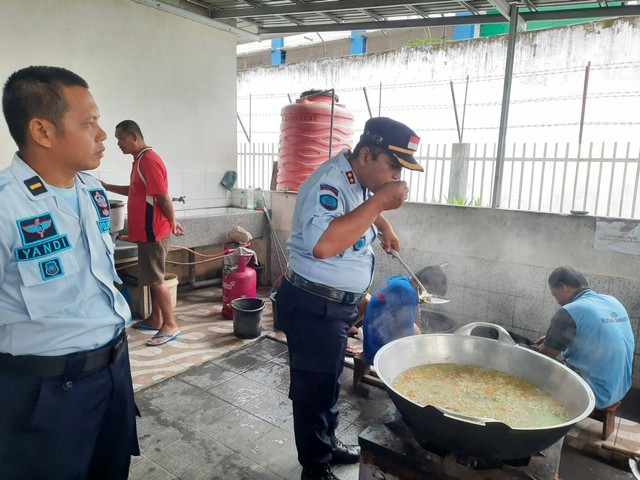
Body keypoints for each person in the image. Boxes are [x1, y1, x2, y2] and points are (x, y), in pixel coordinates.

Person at [0, 66, 139, 479]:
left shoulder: (91, 190)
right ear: (42, 131)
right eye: (88, 122)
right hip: (43, 393)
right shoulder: (7, 206)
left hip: (113, 372)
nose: (101, 134)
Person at [276, 116, 424, 480]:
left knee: (328, 383)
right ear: (367, 154)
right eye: (393, 166)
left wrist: (384, 226)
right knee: (314, 389)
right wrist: (380, 205)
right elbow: (324, 245)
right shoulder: (329, 182)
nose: (397, 177)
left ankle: (325, 444)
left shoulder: (361, 182)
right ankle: (314, 467)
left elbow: (359, 215)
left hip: (336, 305)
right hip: (313, 305)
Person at [101, 120, 184, 347]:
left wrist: (172, 221)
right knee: (151, 276)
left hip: (154, 231)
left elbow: (162, 196)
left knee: (156, 279)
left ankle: (170, 323)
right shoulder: (139, 160)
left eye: (120, 138)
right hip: (148, 230)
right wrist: (106, 186)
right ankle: (155, 318)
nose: (118, 143)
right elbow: (135, 191)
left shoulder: (149, 160)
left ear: (133, 136)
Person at [535, 266, 635, 410]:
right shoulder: (612, 301)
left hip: (594, 392)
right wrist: (552, 338)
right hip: (620, 388)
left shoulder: (569, 311)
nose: (557, 301)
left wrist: (542, 347)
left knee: (538, 372)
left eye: (555, 295)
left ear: (562, 287)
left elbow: (546, 355)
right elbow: (595, 335)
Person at [362, 275, 422, 365]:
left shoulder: (399, 279)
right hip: (378, 353)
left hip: (370, 341)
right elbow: (406, 335)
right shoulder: (408, 291)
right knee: (418, 353)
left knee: (416, 333)